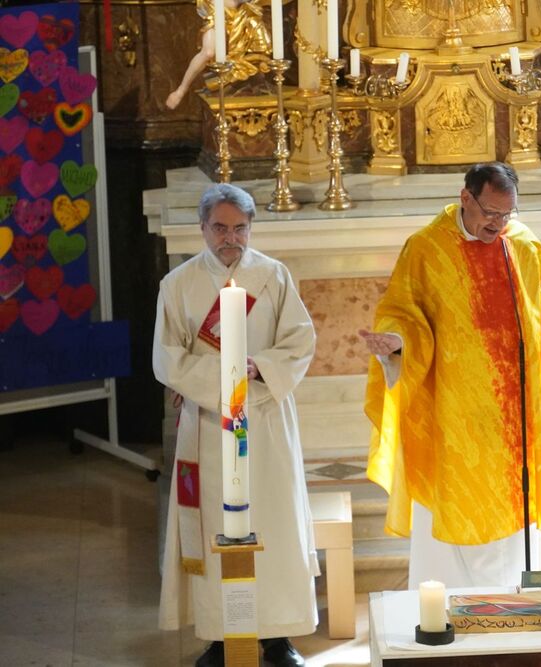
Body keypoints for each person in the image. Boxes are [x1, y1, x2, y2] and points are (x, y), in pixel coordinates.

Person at [360, 162, 541, 588]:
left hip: (515, 415)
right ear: (465, 198)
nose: (498, 224)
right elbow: (403, 313)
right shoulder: (427, 249)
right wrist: (397, 342)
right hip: (455, 415)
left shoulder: (520, 242)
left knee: (515, 528)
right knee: (454, 526)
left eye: (507, 214)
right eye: (490, 213)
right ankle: (447, 612)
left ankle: (514, 611)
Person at [154, 184, 318, 667]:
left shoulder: (273, 276)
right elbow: (167, 358)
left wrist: (258, 369)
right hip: (208, 424)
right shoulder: (178, 284)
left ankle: (278, 635)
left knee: (275, 522)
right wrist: (223, 380)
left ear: (251, 228)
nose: (231, 238)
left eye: (240, 228)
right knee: (214, 528)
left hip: (265, 419)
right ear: (203, 228)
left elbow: (299, 341)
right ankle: (221, 635)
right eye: (220, 228)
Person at [166, 0, 273, 110]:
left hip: (242, 15)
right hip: (216, 14)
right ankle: (181, 90)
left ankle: (248, 76)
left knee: (258, 51)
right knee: (208, 52)